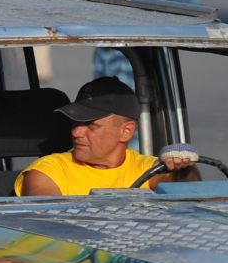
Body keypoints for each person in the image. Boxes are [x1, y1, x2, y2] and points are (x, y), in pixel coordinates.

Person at [15, 77, 199, 196]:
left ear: (126, 131)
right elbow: (48, 221)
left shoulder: (148, 169)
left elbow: (187, 193)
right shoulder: (48, 171)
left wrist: (183, 168)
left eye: (90, 125)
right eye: (75, 122)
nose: (76, 132)